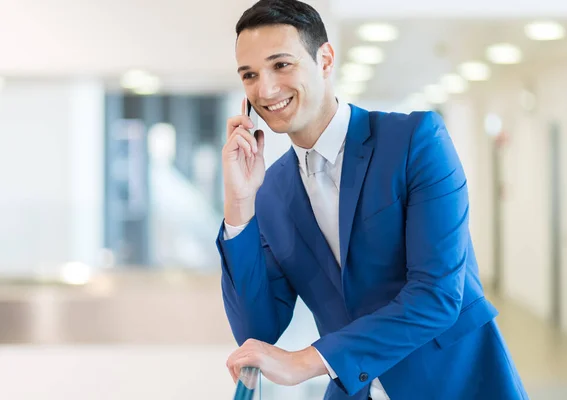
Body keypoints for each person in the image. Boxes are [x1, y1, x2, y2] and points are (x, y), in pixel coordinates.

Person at [216, 1, 528, 399]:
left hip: (456, 384)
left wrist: (307, 360)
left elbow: (437, 296)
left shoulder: (416, 141)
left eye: (281, 65)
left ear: (325, 59)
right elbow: (255, 332)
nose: (265, 89)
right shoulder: (272, 192)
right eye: (250, 75)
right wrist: (240, 205)